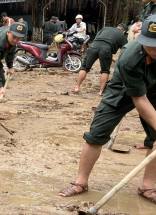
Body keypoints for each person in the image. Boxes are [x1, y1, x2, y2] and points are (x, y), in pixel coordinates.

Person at [59, 15, 156, 205]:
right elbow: (140, 100)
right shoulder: (130, 57)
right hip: (121, 91)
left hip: (155, 91)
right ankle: (80, 183)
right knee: (96, 135)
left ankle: (147, 186)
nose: (153, 49)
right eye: (149, 44)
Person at [73, 24, 128, 95]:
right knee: (105, 71)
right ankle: (101, 91)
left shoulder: (105, 28)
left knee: (84, 68)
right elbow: (125, 49)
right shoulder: (122, 35)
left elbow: (96, 38)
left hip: (93, 46)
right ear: (124, 31)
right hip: (106, 49)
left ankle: (77, 87)